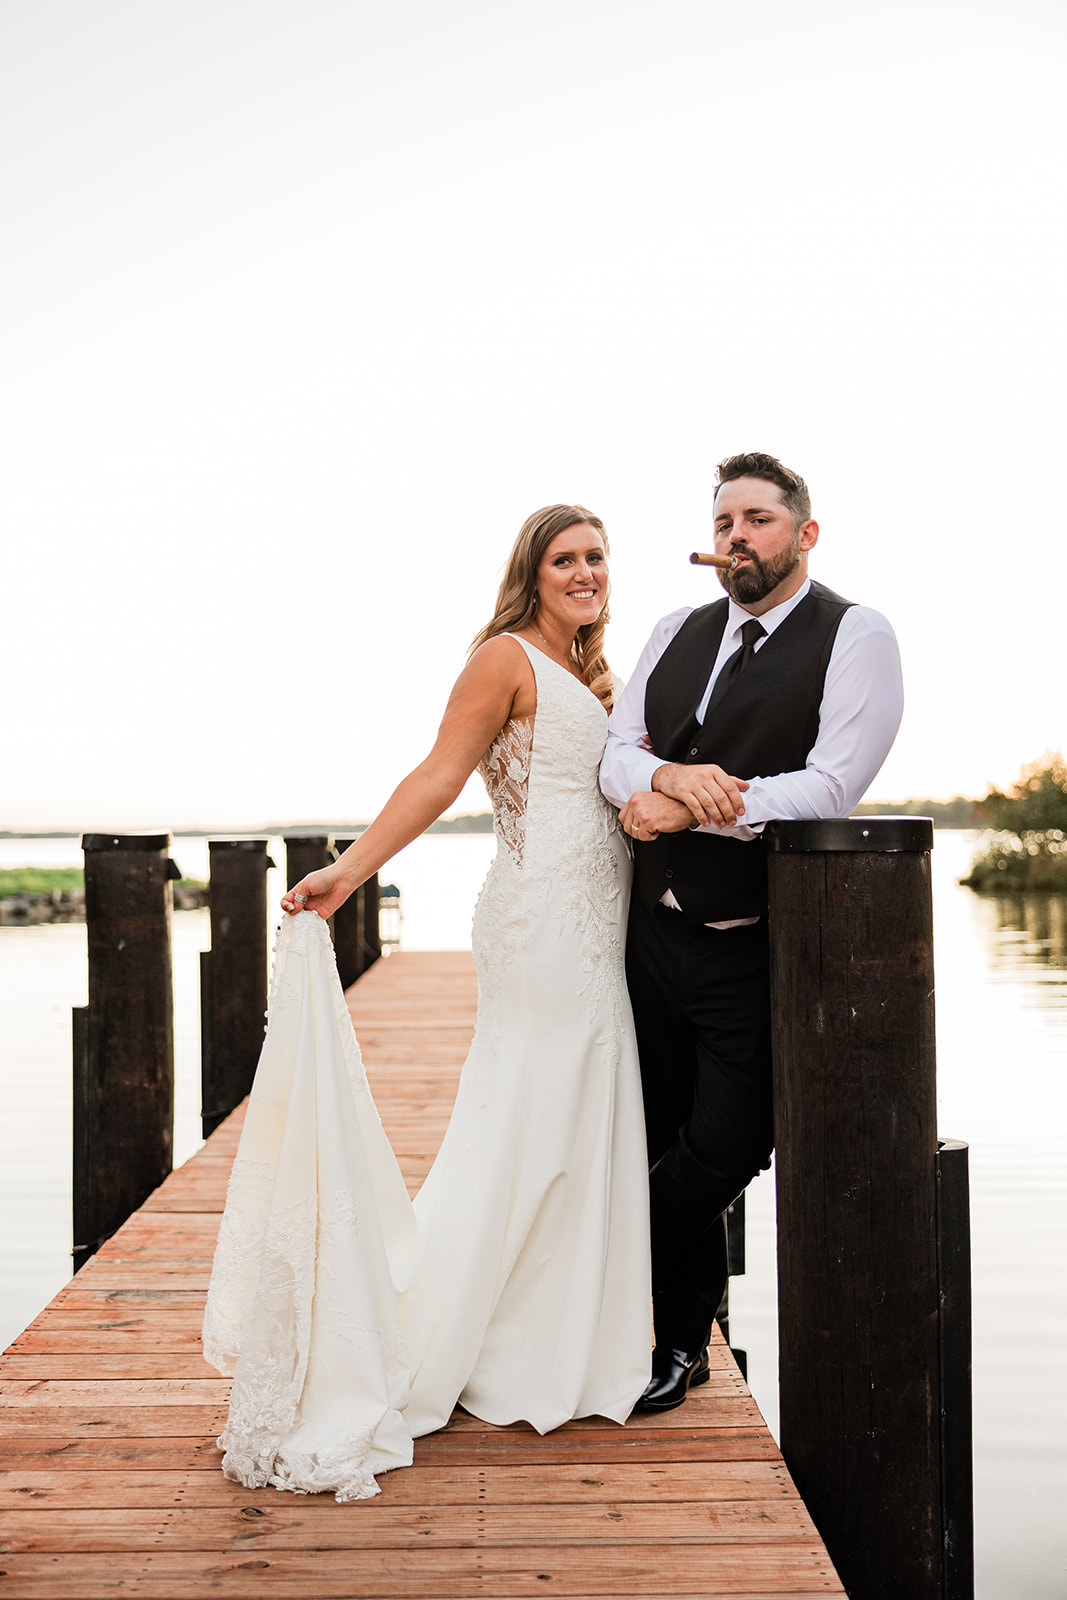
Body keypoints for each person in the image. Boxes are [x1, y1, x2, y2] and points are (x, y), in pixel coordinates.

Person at [202, 504, 651, 1500]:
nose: (584, 572)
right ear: (530, 573)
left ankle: (552, 1336)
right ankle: (472, 1339)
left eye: (596, 558)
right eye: (564, 558)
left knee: (576, 1121)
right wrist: (351, 870)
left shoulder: (591, 674)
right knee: (527, 1119)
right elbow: (441, 774)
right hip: (540, 928)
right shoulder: (503, 659)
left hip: (595, 926)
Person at [600, 452, 904, 1413]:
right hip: (647, 937)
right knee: (653, 1122)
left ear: (804, 534)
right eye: (725, 519)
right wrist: (656, 781)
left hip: (751, 939)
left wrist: (693, 804)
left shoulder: (856, 633)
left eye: (760, 519)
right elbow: (616, 749)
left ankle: (619, 1241)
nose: (739, 535)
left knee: (723, 1143)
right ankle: (680, 1345)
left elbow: (829, 783)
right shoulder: (671, 630)